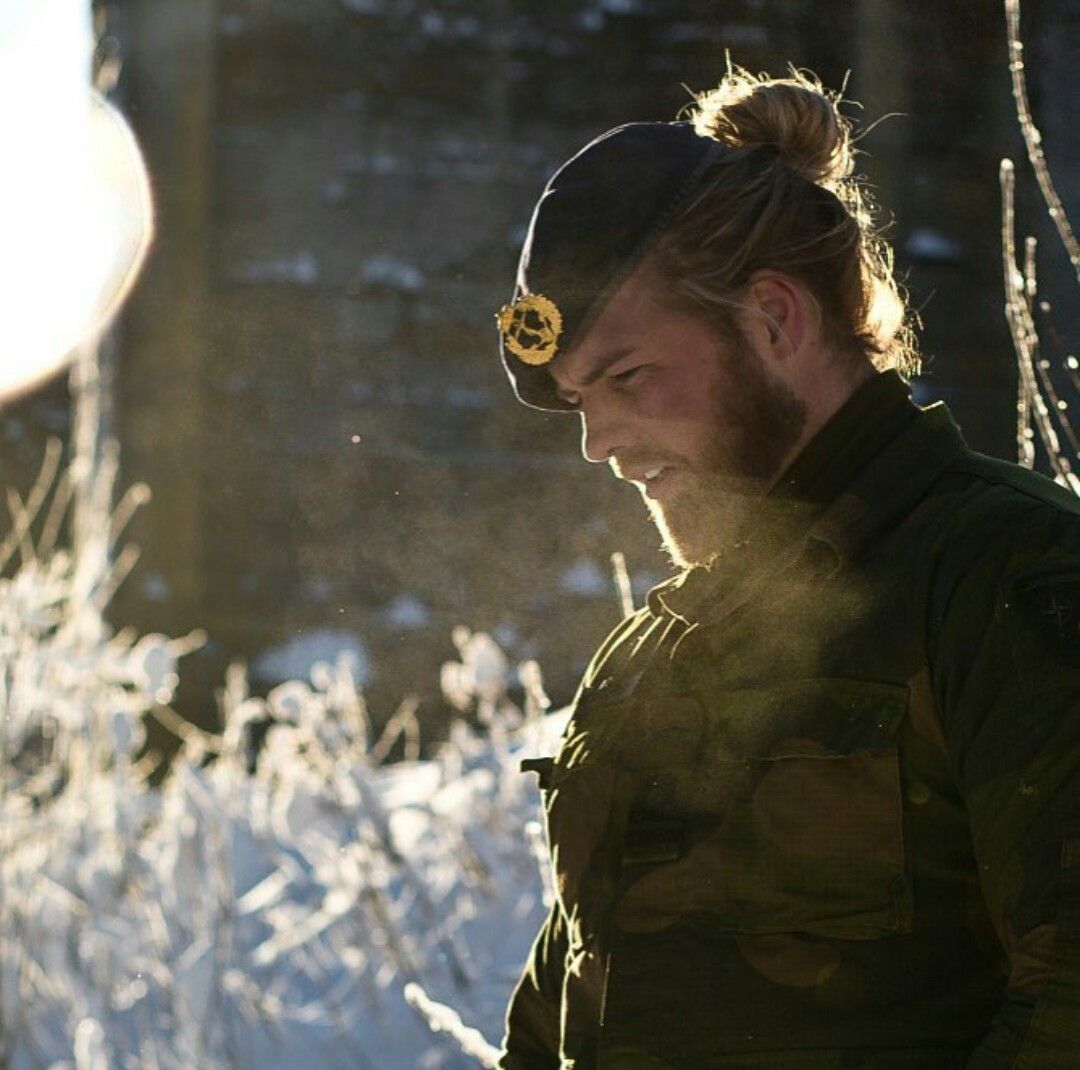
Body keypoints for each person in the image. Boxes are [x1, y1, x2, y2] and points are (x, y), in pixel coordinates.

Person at [493, 67, 1080, 1069]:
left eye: (628, 376)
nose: (600, 444)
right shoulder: (647, 656)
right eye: (582, 400)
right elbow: (555, 1024)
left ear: (774, 318)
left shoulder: (1011, 577)